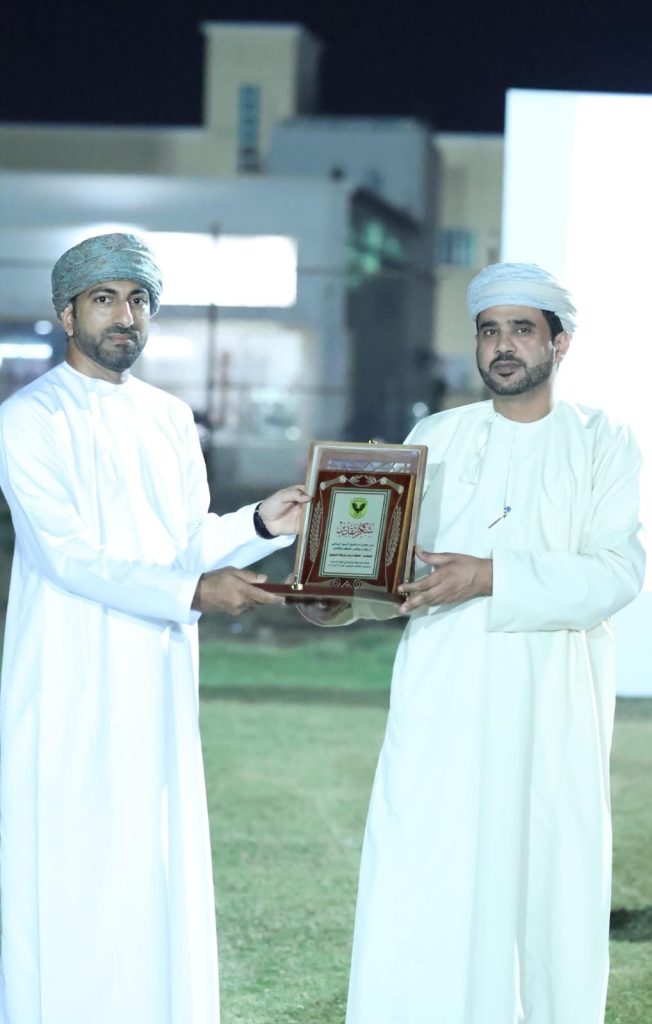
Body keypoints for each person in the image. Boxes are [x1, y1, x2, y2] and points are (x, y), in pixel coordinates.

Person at [304, 263, 645, 1023]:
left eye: (522, 329)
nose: (503, 346)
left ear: (561, 342)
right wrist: (337, 603)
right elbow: (396, 571)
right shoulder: (437, 437)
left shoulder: (603, 441)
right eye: (490, 331)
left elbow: (616, 573)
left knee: (544, 882)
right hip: (444, 701)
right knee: (428, 872)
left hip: (550, 709)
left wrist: (490, 576)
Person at [0, 232, 308, 1024]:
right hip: (67, 680)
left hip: (158, 677)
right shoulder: (28, 419)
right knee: (71, 869)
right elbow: (69, 557)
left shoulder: (169, 418)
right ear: (67, 314)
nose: (124, 316)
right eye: (104, 299)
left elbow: (185, 541)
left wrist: (262, 523)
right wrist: (195, 592)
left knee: (150, 864)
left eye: (138, 300)